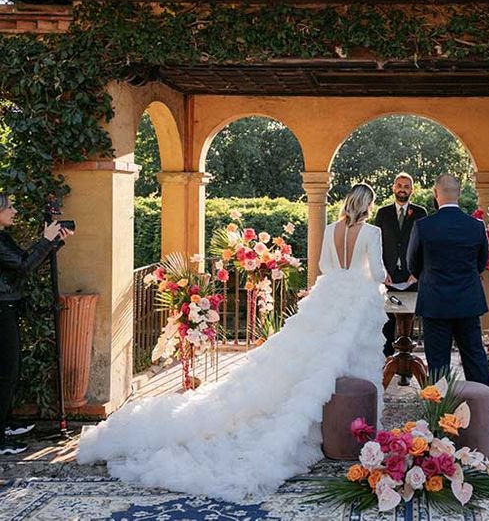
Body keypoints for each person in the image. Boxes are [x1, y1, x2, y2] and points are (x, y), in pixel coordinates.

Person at [78, 183, 387, 503]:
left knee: (309, 359)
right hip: (356, 302)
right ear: (368, 205)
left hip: (328, 296)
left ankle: (327, 422)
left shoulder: (331, 229)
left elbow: (324, 267)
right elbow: (377, 273)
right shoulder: (372, 232)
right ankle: (350, 428)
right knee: (343, 362)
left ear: (348, 202)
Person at [0, 193, 71, 455]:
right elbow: (23, 266)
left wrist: (54, 243)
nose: (14, 211)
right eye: (10, 207)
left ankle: (5, 423)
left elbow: (28, 262)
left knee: (9, 371)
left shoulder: (3, 236)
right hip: (1, 309)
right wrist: (45, 240)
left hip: (8, 306)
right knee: (6, 372)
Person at [406, 174, 489, 385]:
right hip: (468, 301)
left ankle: (441, 409)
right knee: (474, 356)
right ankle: (480, 407)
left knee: (438, 362)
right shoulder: (476, 226)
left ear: (436, 194)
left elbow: (412, 264)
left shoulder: (423, 226)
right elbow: (481, 262)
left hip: (435, 302)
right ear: (459, 193)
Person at [373, 172, 427, 358]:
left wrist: (417, 272)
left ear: (411, 190)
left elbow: (423, 246)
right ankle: (385, 363)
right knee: (387, 324)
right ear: (393, 188)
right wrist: (382, 271)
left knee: (407, 325)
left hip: (411, 277)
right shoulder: (382, 213)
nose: (402, 189)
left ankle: (405, 368)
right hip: (387, 277)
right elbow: (376, 244)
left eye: (406, 186)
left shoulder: (420, 213)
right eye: (399, 185)